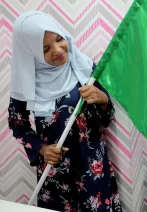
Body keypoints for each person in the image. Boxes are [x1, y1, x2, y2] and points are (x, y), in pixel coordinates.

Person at [8, 11, 122, 211]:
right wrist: (42, 149)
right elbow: (18, 125)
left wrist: (103, 100)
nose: (58, 49)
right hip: (56, 174)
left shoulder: (84, 68)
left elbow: (107, 117)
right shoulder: (25, 85)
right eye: (45, 48)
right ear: (31, 52)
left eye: (59, 38)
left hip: (93, 166)